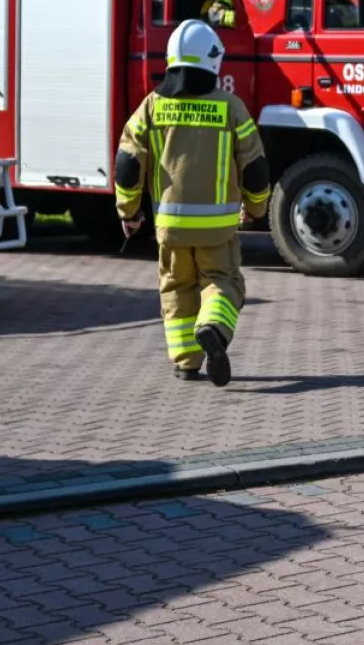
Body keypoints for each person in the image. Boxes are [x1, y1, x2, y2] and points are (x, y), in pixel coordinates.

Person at [114, 20, 270, 386]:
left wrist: (129, 212)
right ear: (213, 62)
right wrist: (257, 208)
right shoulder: (231, 107)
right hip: (217, 229)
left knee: (176, 290)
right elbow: (256, 167)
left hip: (170, 228)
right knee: (223, 282)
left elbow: (127, 163)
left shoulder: (151, 107)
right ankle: (213, 326)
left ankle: (186, 361)